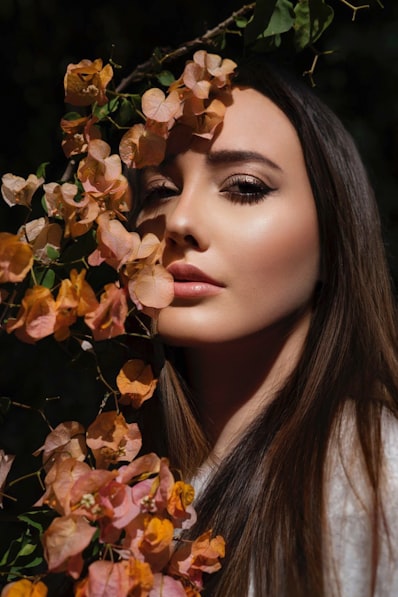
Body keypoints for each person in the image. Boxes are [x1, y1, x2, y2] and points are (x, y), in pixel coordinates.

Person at [131, 58, 398, 596]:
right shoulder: (126, 482)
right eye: (160, 190)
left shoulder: (373, 476)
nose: (180, 221)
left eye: (245, 187)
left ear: (334, 237)